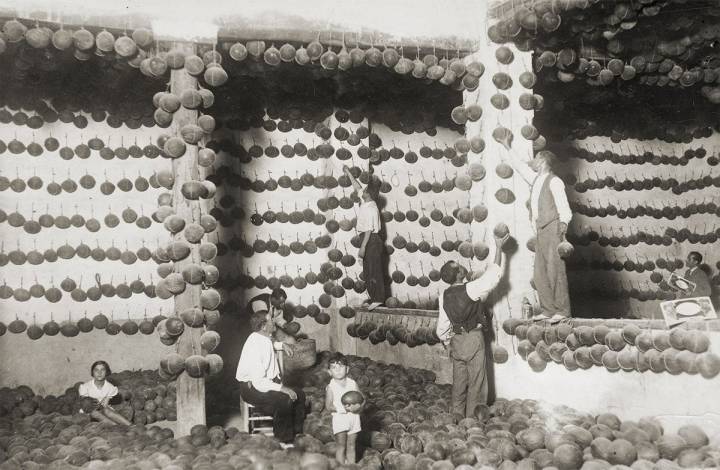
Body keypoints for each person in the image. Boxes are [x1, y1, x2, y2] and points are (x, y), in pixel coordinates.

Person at [435, 232, 509, 418]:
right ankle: (473, 422)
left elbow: (442, 327)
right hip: (473, 339)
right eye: (460, 267)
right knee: (477, 383)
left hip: (456, 341)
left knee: (459, 383)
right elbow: (494, 275)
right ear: (459, 274)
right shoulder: (471, 288)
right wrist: (498, 247)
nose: (462, 268)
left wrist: (447, 343)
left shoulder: (444, 296)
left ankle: (457, 418)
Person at [508, 150, 572, 321]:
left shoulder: (555, 181)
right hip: (540, 231)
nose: (533, 161)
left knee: (555, 270)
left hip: (553, 228)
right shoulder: (537, 179)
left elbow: (564, 207)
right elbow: (521, 168)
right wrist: (508, 148)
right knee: (540, 273)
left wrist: (563, 226)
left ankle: (562, 311)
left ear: (543, 161)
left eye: (536, 158)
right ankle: (548, 310)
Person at [235, 311, 305, 446]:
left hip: (264, 384)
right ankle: (283, 441)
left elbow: (270, 343)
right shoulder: (255, 345)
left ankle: (297, 434)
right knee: (285, 399)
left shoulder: (261, 337)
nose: (274, 322)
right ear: (263, 326)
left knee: (300, 394)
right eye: (271, 320)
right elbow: (259, 382)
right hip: (252, 389)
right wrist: (283, 389)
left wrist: (281, 345)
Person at [342, 165, 387, 306]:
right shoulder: (366, 201)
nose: (363, 190)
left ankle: (379, 299)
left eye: (366, 189)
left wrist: (362, 248)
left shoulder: (372, 208)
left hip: (371, 240)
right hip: (367, 240)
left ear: (369, 194)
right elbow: (357, 187)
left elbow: (368, 230)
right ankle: (373, 298)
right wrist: (348, 173)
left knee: (374, 270)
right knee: (368, 272)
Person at [324, 353, 363, 464]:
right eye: (334, 367)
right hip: (340, 419)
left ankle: (351, 466)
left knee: (351, 445)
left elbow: (362, 398)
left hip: (354, 418)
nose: (338, 370)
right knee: (341, 446)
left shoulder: (352, 383)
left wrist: (358, 407)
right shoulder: (331, 387)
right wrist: (345, 409)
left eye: (341, 367)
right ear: (329, 372)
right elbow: (328, 406)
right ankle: (340, 467)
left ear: (347, 369)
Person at [78, 361, 132, 425]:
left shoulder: (110, 387)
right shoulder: (85, 387)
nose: (99, 373)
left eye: (102, 370)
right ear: (92, 373)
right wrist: (93, 404)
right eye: (96, 370)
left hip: (103, 411)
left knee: (107, 410)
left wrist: (103, 405)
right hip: (88, 413)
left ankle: (130, 425)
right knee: (95, 413)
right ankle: (115, 426)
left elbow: (105, 405)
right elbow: (85, 404)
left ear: (106, 372)